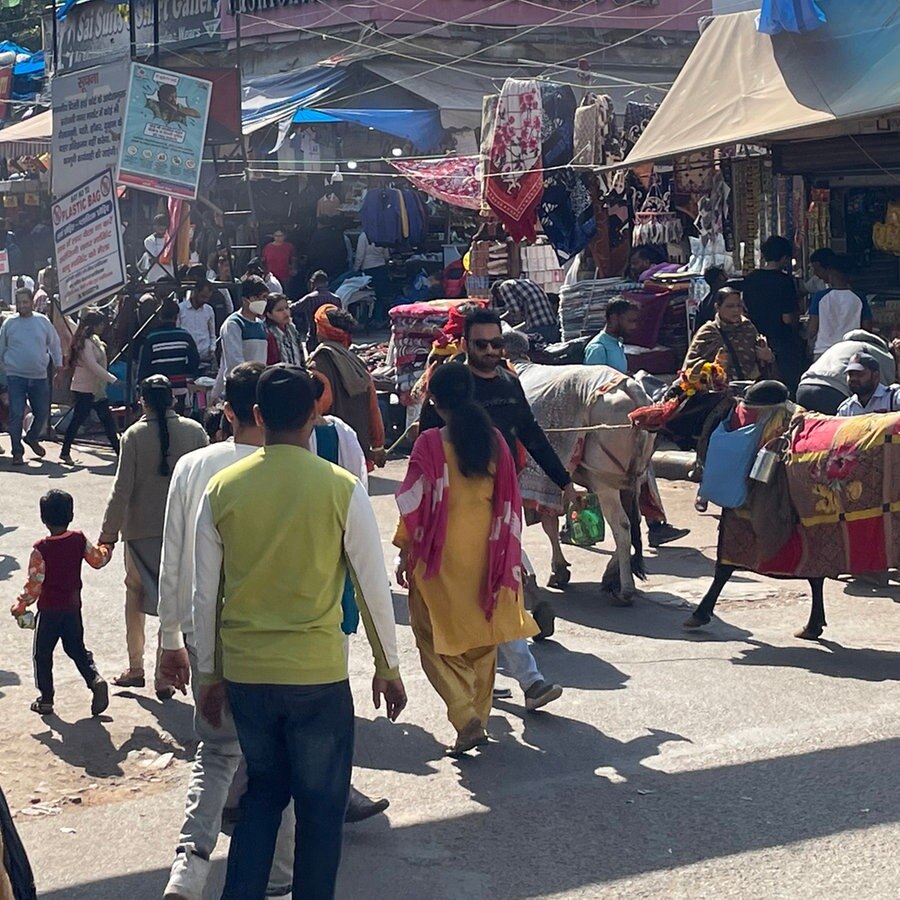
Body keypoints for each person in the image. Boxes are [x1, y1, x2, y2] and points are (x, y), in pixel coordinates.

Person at [192, 365, 405, 900]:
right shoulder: (340, 488)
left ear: (258, 417)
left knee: (263, 795)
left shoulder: (222, 488)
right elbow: (371, 584)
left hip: (247, 674)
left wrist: (209, 674)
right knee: (320, 809)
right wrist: (389, 668)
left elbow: (206, 594)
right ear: (315, 414)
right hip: (318, 678)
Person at [156, 364, 291, 899]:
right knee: (276, 761)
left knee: (215, 754)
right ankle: (279, 882)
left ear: (229, 411)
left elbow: (174, 557)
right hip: (275, 635)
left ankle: (189, 868)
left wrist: (169, 639)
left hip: (203, 628)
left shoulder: (194, 466)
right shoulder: (293, 468)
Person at [420, 308, 570, 711]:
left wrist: (565, 481)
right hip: (455, 516)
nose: (490, 351)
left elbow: (531, 433)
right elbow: (425, 457)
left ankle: (518, 680)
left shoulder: (508, 381)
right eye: (481, 344)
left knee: (500, 592)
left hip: (501, 507)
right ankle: (521, 679)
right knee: (493, 594)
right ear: (465, 344)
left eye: (496, 344)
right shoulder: (450, 384)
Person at [396, 363, 538, 754]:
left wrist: (405, 549)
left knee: (431, 638)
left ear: (435, 402)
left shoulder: (428, 443)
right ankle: (477, 713)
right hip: (488, 554)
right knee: (481, 644)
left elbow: (413, 501)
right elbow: (509, 499)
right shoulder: (494, 439)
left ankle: (464, 714)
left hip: (438, 560)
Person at [99, 376, 207, 692]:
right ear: (172, 400)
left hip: (140, 531)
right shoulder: (195, 432)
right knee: (171, 599)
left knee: (135, 594)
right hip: (185, 529)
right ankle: (164, 676)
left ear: (142, 401)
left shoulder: (133, 436)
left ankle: (135, 667)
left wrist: (108, 533)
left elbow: (122, 490)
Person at [10, 490, 111, 718]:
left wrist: (21, 605)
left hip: (49, 611)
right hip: (72, 608)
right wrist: (107, 547)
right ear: (71, 515)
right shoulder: (78, 539)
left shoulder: (40, 549)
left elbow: (34, 584)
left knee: (42, 654)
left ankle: (46, 699)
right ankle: (95, 680)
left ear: (43, 518)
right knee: (76, 649)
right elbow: (98, 560)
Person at [308, 304, 386, 469]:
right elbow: (373, 406)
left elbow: (314, 411)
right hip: (356, 451)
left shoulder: (318, 364)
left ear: (320, 330)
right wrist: (378, 445)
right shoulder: (357, 364)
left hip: (326, 451)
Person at [0, 286, 62, 464]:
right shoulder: (9, 324)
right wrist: (5, 367)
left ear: (31, 303)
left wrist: (58, 366)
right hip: (15, 376)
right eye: (19, 303)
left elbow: (55, 344)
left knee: (42, 413)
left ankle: (32, 437)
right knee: (16, 413)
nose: (22, 306)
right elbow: (1, 347)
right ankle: (17, 452)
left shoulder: (42, 322)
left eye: (25, 302)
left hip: (39, 376)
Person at [739, 235, 803, 396]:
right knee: (786, 387)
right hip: (781, 341)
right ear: (784, 258)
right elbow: (788, 318)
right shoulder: (785, 281)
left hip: (755, 341)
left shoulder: (750, 279)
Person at [60, 311, 120, 464]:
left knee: (106, 421)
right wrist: (112, 380)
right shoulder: (86, 343)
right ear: (94, 326)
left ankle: (120, 451)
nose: (103, 327)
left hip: (95, 388)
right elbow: (93, 366)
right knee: (79, 420)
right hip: (85, 389)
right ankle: (65, 452)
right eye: (100, 324)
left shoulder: (92, 340)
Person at [683, 287, 774, 382]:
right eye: (730, 306)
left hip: (749, 389)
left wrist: (768, 356)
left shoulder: (748, 327)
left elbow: (763, 363)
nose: (736, 310)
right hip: (719, 391)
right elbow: (690, 369)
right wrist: (713, 367)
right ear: (717, 307)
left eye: (739, 306)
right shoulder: (708, 332)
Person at [797, 330, 896, 415]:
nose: (854, 378)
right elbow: (885, 382)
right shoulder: (878, 351)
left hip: (803, 389)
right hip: (833, 391)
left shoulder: (839, 345)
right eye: (851, 374)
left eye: (859, 374)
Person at [808, 254, 872, 359]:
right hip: (852, 352)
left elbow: (812, 329)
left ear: (831, 272)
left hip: (824, 352)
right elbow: (867, 329)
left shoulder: (820, 297)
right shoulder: (859, 298)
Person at [138, 299, 201, 398]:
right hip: (179, 387)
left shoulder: (151, 338)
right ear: (176, 316)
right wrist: (186, 374)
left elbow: (144, 366)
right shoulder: (185, 336)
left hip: (157, 388)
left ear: (159, 316)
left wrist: (140, 387)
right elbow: (195, 360)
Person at [218, 276, 269, 377]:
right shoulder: (234, 324)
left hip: (257, 384)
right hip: (240, 384)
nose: (264, 301)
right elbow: (235, 362)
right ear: (246, 299)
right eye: (260, 297)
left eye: (265, 297)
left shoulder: (261, 325)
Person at [491, 278, 560, 345]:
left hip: (538, 330)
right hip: (552, 327)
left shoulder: (504, 287)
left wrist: (497, 320)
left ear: (498, 293)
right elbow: (527, 321)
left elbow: (515, 312)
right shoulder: (527, 282)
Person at [583, 297, 638, 369]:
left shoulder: (618, 343)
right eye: (630, 321)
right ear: (613, 318)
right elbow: (595, 379)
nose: (634, 326)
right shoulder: (598, 349)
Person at [293, 270, 340, 349]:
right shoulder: (336, 299)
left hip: (314, 337)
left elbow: (293, 309)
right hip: (332, 338)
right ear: (327, 283)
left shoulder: (309, 298)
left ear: (312, 283)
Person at [177, 280, 217, 369]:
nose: (205, 300)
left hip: (205, 359)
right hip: (186, 358)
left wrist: (212, 350)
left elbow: (212, 334)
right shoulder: (181, 309)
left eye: (207, 298)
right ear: (195, 292)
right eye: (202, 296)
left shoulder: (209, 310)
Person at [355, 230, 391, 321]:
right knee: (379, 295)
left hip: (368, 270)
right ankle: (378, 319)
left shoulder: (364, 236)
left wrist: (355, 270)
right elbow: (387, 255)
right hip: (381, 268)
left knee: (366, 296)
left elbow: (360, 255)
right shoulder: (383, 235)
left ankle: (365, 319)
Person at [264, 293, 304, 366]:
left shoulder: (292, 329)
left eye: (286, 308)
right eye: (279, 310)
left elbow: (301, 354)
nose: (285, 312)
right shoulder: (267, 334)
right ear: (269, 314)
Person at [141, 214, 176, 284]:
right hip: (154, 275)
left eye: (164, 225)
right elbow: (157, 256)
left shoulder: (171, 239)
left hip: (168, 274)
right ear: (154, 226)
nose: (162, 227)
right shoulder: (149, 240)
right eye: (159, 225)